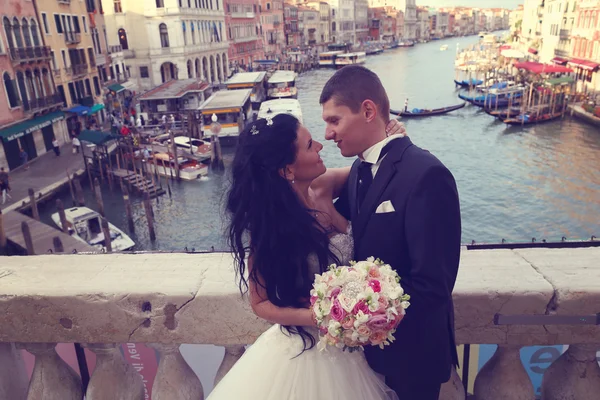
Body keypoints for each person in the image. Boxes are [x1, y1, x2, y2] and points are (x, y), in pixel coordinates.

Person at [208, 114, 406, 400]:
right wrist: (321, 317)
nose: (321, 147)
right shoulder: (272, 227)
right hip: (305, 351)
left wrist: (390, 139)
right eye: (310, 145)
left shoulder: (324, 185)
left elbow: (373, 168)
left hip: (349, 353)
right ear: (288, 169)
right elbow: (260, 303)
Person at [321, 66, 461, 399]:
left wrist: (363, 319)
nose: (327, 133)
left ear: (368, 111)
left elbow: (433, 284)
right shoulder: (357, 168)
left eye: (334, 121)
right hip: (366, 358)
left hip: (413, 358)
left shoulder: (426, 175)